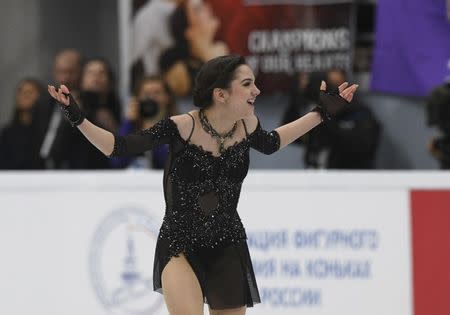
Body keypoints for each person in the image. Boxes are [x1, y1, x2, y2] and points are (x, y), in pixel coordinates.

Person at [48, 55, 358, 315]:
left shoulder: (247, 126)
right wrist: (78, 119)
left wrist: (321, 113)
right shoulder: (181, 126)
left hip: (227, 244)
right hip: (180, 243)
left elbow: (273, 142)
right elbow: (117, 146)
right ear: (220, 93)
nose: (258, 90)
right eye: (248, 84)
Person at [283, 69, 379, 169]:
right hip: (314, 174)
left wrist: (326, 113)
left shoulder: (359, 114)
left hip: (348, 176)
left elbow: (361, 146)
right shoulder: (315, 111)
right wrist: (298, 94)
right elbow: (291, 136)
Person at [111, 75, 178, 169]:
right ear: (138, 98)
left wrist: (154, 132)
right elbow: (117, 162)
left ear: (167, 98)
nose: (151, 98)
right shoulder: (130, 126)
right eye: (146, 94)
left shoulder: (178, 126)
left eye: (157, 93)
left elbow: (171, 163)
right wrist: (129, 122)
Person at [0, 78, 45, 169]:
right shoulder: (7, 133)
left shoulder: (45, 131)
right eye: (20, 91)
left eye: (30, 92)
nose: (24, 95)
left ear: (40, 96)